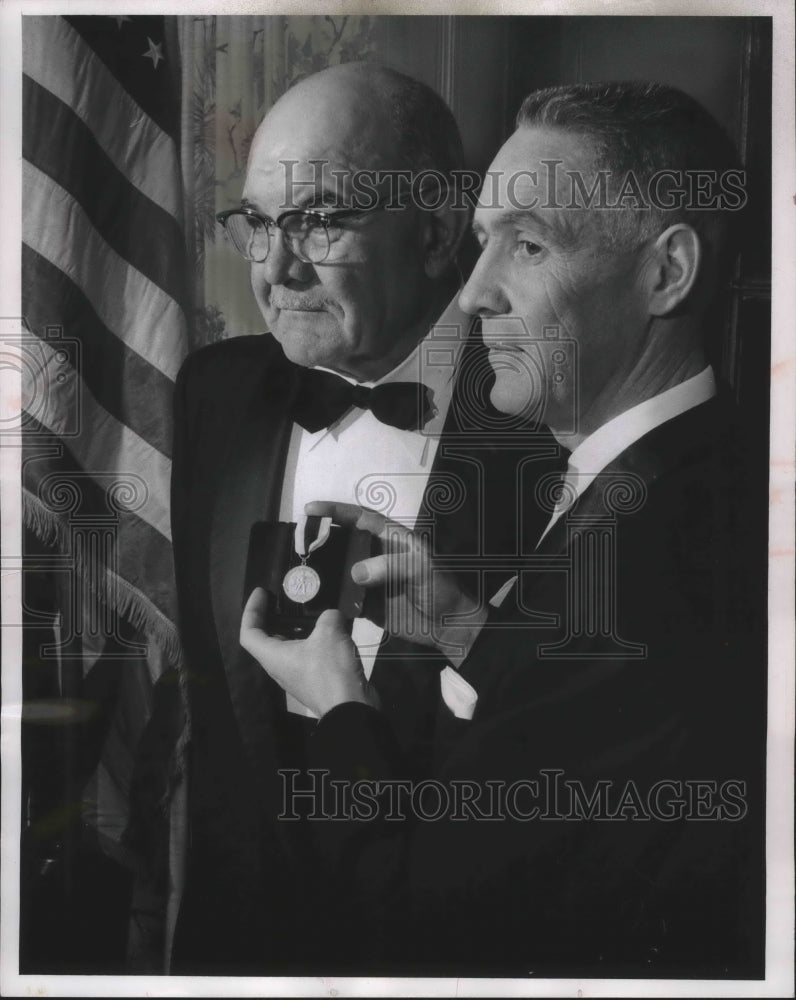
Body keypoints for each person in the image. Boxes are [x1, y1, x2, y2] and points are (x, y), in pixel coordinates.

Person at [241, 81, 768, 977]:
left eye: (528, 245)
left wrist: (341, 710)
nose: (476, 294)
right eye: (485, 243)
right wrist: (467, 630)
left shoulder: (649, 572)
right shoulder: (677, 481)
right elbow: (581, 735)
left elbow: (417, 919)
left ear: (667, 273)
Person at [168, 62, 558, 973]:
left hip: (449, 947)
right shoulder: (215, 393)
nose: (275, 268)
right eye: (259, 224)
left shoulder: (554, 423)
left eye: (320, 220)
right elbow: (213, 714)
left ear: (434, 233)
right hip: (239, 938)